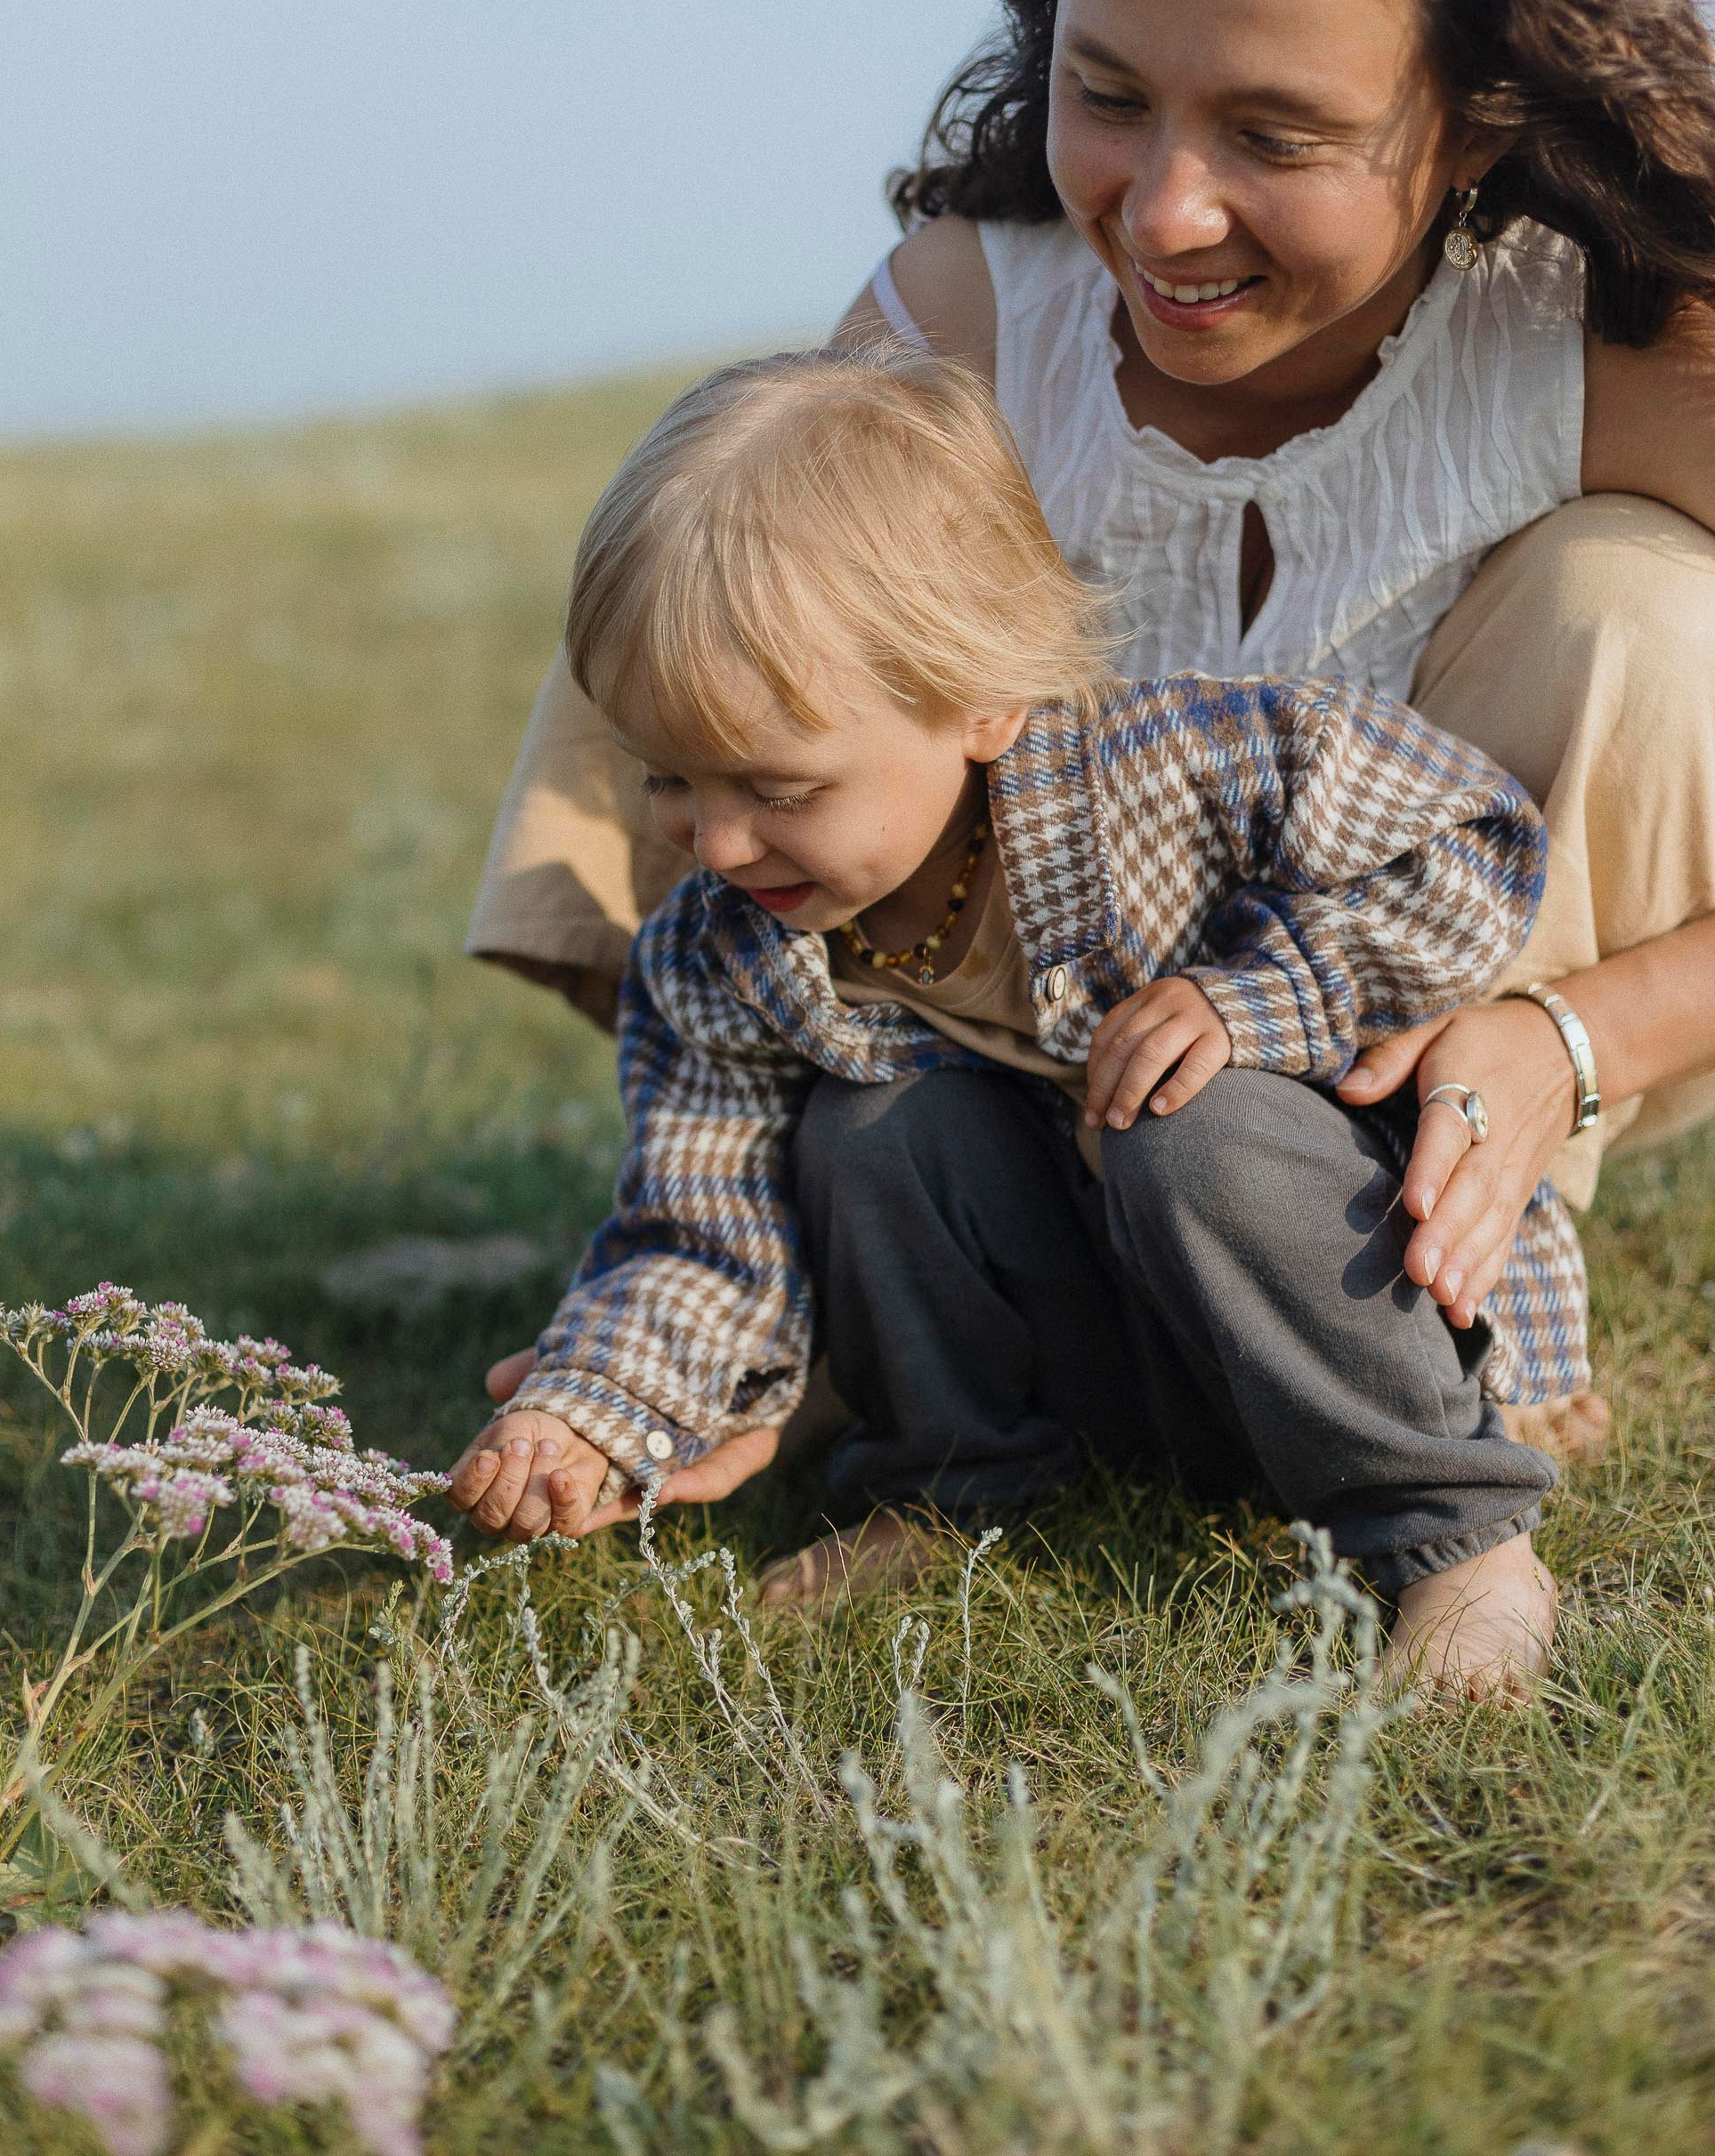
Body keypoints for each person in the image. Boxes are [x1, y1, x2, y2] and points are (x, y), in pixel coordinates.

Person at [467, 0, 1715, 1455]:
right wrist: (734, 1250)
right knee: (736, 538)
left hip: (1417, 1055)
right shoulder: (964, 322)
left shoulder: (1603, 344)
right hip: (998, 1072)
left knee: (1640, 608)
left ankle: (1444, 1286)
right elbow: (722, 823)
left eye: (1275, 132)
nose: (1167, 206)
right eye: (1109, 93)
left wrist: (1573, 1037)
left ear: (1470, 116)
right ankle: (850, 1276)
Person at [449, 346, 1576, 1696]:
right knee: (869, 1128)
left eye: (774, 784)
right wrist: (601, 1405)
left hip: (1341, 1330)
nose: (720, 837)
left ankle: (1450, 1533)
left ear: (981, 698)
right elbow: (703, 1220)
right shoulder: (722, 946)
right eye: (668, 779)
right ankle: (959, 1482)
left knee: (1192, 1120)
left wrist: (1263, 991)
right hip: (1112, 1353)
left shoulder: (1183, 768)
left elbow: (1474, 836)